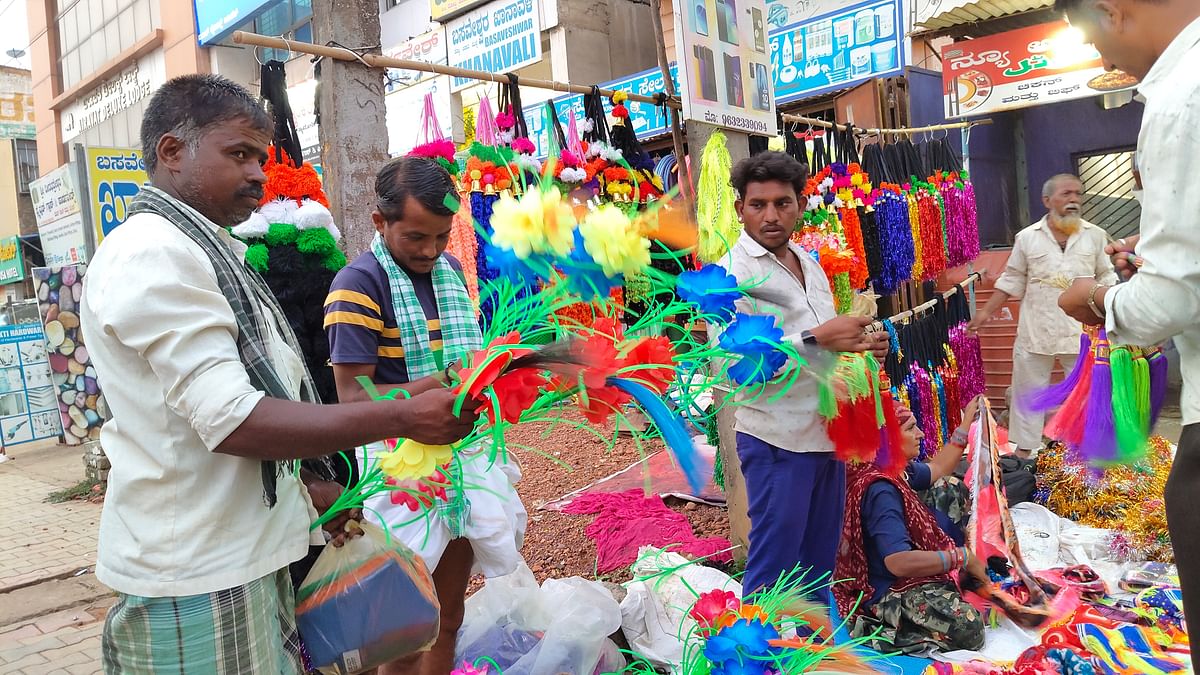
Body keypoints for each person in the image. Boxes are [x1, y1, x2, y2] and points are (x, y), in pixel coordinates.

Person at [79, 75, 477, 674]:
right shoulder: (154, 254)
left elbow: (253, 400)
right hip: (197, 572)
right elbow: (234, 419)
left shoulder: (212, 250)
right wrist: (397, 415)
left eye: (261, 158)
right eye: (238, 154)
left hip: (240, 556)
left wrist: (308, 487)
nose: (258, 175)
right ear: (171, 151)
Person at [324, 156, 527, 675]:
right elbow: (352, 399)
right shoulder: (357, 285)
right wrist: (456, 381)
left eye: (441, 236)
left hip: (462, 460)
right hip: (400, 475)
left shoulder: (451, 271)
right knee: (402, 629)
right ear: (379, 223)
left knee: (447, 614)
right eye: (416, 237)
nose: (431, 250)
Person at [1054, 0, 1200, 668]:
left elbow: (1169, 298)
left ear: (1114, 9)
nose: (1105, 62)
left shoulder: (1178, 99)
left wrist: (1098, 300)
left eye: (1092, 39)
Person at [721, 151, 889, 597]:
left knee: (817, 568)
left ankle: (809, 657)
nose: (771, 215)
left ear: (800, 205)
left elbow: (830, 350)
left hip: (823, 433)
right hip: (776, 440)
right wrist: (817, 337)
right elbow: (733, 366)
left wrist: (864, 348)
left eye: (783, 203)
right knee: (773, 566)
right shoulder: (731, 276)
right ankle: (753, 663)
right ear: (741, 208)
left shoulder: (809, 262)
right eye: (758, 205)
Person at [968, 174, 1117, 457]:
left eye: (1077, 194)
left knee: (1088, 391)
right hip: (1035, 330)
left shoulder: (1095, 235)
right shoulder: (1027, 238)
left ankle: (1086, 450)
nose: (1074, 199)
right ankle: (1026, 453)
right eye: (1066, 194)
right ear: (1047, 200)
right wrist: (984, 313)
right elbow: (1012, 280)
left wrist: (1109, 310)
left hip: (1081, 331)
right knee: (1027, 393)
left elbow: (1107, 275)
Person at [834, 396, 988, 654]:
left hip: (901, 571)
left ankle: (946, 578)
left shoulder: (893, 467)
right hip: (886, 591)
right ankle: (888, 627)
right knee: (969, 628)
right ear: (888, 438)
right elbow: (897, 562)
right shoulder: (881, 490)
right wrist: (961, 557)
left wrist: (965, 425)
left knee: (949, 488)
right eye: (910, 429)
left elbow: (937, 467)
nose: (920, 434)